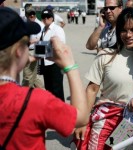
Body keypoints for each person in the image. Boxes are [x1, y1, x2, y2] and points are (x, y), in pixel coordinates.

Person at [0, 7, 89, 150]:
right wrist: (71, 66)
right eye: (27, 44)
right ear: (19, 52)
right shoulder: (35, 100)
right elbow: (81, 117)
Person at [74, 8, 133, 150]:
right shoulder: (106, 55)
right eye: (123, 30)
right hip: (104, 121)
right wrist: (82, 121)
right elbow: (91, 90)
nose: (128, 35)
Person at [39, 8, 66, 101]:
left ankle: (61, 112)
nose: (46, 19)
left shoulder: (57, 29)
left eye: (48, 17)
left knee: (57, 90)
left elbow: (61, 46)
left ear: (52, 18)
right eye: (43, 17)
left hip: (55, 64)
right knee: (48, 88)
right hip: (45, 63)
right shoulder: (43, 29)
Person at [22, 7, 44, 88]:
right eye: (30, 14)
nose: (32, 15)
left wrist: (40, 55)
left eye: (33, 14)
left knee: (27, 76)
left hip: (34, 51)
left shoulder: (40, 25)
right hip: (25, 50)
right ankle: (43, 92)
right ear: (26, 15)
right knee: (34, 75)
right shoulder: (23, 23)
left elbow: (42, 40)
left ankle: (24, 93)